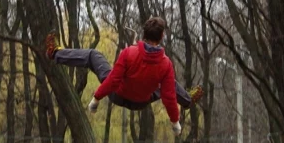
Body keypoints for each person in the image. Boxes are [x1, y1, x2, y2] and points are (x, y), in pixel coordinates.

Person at [46, 17, 203, 134]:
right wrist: (175, 122)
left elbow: (114, 80)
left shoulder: (129, 53)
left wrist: (96, 99)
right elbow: (168, 97)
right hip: (141, 102)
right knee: (168, 84)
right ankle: (187, 100)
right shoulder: (165, 64)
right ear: (161, 36)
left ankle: (55, 53)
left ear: (144, 34)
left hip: (118, 95)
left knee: (93, 55)